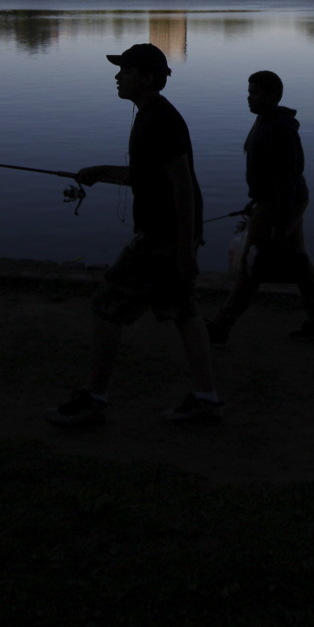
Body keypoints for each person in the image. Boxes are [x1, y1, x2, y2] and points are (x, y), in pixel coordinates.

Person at [45, 42, 223, 427]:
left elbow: (182, 186)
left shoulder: (161, 120)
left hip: (161, 238)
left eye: (124, 71)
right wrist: (99, 171)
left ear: (146, 77)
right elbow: (145, 177)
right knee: (184, 311)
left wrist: (184, 248)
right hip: (172, 236)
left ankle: (94, 400)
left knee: (107, 304)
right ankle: (206, 399)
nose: (116, 77)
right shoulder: (150, 115)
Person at [207, 69, 314, 344]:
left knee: (251, 266)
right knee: (299, 260)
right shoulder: (265, 121)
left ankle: (220, 326)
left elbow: (286, 180)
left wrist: (278, 224)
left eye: (254, 93)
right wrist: (255, 200)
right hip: (275, 201)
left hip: (279, 204)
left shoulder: (280, 130)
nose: (249, 98)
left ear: (272, 96)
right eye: (248, 92)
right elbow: (268, 174)